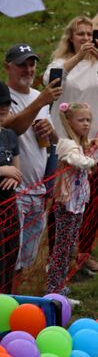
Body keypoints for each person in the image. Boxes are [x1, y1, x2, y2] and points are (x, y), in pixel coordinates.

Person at [44, 16, 98, 274]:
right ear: (71, 37)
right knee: (63, 203)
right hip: (68, 146)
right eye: (80, 34)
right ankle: (57, 257)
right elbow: (51, 80)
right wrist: (80, 56)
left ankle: (84, 253)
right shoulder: (61, 63)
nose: (86, 39)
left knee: (92, 203)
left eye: (90, 34)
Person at [3, 43, 62, 273]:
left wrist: (50, 131)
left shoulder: (39, 95)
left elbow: (52, 141)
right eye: (22, 65)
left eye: (31, 64)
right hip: (15, 189)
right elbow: (10, 129)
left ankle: (15, 301)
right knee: (10, 256)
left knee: (26, 258)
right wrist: (40, 103)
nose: (28, 70)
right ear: (8, 66)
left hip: (38, 188)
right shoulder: (6, 97)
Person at [47, 102, 98, 294]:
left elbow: (81, 148)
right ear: (69, 121)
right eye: (81, 120)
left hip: (77, 203)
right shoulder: (66, 143)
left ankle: (61, 283)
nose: (86, 124)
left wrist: (93, 142)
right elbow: (74, 158)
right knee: (62, 249)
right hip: (66, 204)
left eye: (88, 120)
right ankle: (54, 288)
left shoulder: (77, 143)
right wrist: (91, 162)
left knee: (69, 245)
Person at [0, 81, 22, 293]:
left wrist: (14, 176)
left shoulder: (9, 136)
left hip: (9, 206)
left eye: (6, 104)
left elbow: (17, 170)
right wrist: (2, 171)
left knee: (10, 253)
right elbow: (8, 169)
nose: (3, 109)